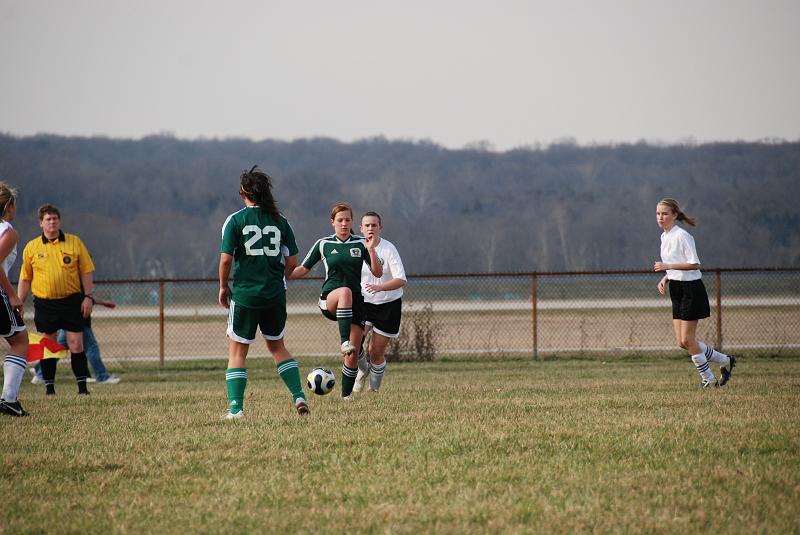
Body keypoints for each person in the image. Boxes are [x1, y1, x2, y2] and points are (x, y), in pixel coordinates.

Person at [219, 165, 308, 419]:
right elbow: (292, 260)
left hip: (246, 294)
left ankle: (236, 409)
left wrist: (224, 286)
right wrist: (282, 275)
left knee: (237, 352)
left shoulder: (235, 220)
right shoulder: (281, 221)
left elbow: (226, 260)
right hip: (274, 294)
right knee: (277, 346)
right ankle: (299, 396)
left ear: (243, 193)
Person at [289, 203, 382, 399]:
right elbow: (303, 269)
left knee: (352, 354)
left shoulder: (360, 243)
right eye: (340, 220)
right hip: (330, 298)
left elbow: (378, 272)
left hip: (355, 304)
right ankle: (344, 341)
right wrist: (280, 274)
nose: (344, 223)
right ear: (332, 222)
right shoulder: (323, 244)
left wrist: (372, 250)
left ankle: (346, 397)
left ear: (352, 222)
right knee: (345, 292)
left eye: (348, 220)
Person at [654, 198, 736, 388]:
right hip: (676, 288)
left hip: (691, 289)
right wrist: (666, 277)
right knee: (682, 343)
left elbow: (694, 263)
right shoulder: (664, 236)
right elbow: (675, 264)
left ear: (674, 215)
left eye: (665, 213)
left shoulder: (682, 236)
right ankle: (726, 361)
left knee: (686, 339)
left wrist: (668, 266)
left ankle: (708, 378)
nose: (661, 217)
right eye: (658, 214)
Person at [17, 204, 94, 395]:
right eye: (48, 219)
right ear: (40, 223)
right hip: (45, 303)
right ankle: (49, 388)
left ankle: (82, 389)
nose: (52, 222)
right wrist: (18, 301)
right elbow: (25, 278)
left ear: (60, 221)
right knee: (48, 345)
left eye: (55, 218)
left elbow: (86, 271)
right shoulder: (32, 247)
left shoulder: (74, 243)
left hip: (71, 301)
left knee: (76, 343)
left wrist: (88, 297)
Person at [353, 211, 406, 394]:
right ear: (360, 228)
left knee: (375, 351)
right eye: (366, 225)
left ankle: (373, 390)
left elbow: (401, 280)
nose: (370, 228)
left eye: (374, 225)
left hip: (388, 305)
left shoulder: (389, 248)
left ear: (380, 228)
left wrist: (381, 287)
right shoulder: (356, 247)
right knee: (355, 343)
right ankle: (361, 370)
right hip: (364, 304)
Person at [31, 294, 121, 385]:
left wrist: (103, 302)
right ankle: (102, 376)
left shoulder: (79, 286)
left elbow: (85, 297)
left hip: (72, 320)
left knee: (58, 349)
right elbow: (82, 297)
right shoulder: (79, 283)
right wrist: (103, 302)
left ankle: (40, 373)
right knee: (92, 348)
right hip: (77, 320)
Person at [0, 182, 30, 416]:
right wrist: (12, 295)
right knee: (20, 340)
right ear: (9, 206)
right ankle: (9, 399)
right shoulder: (8, 231)